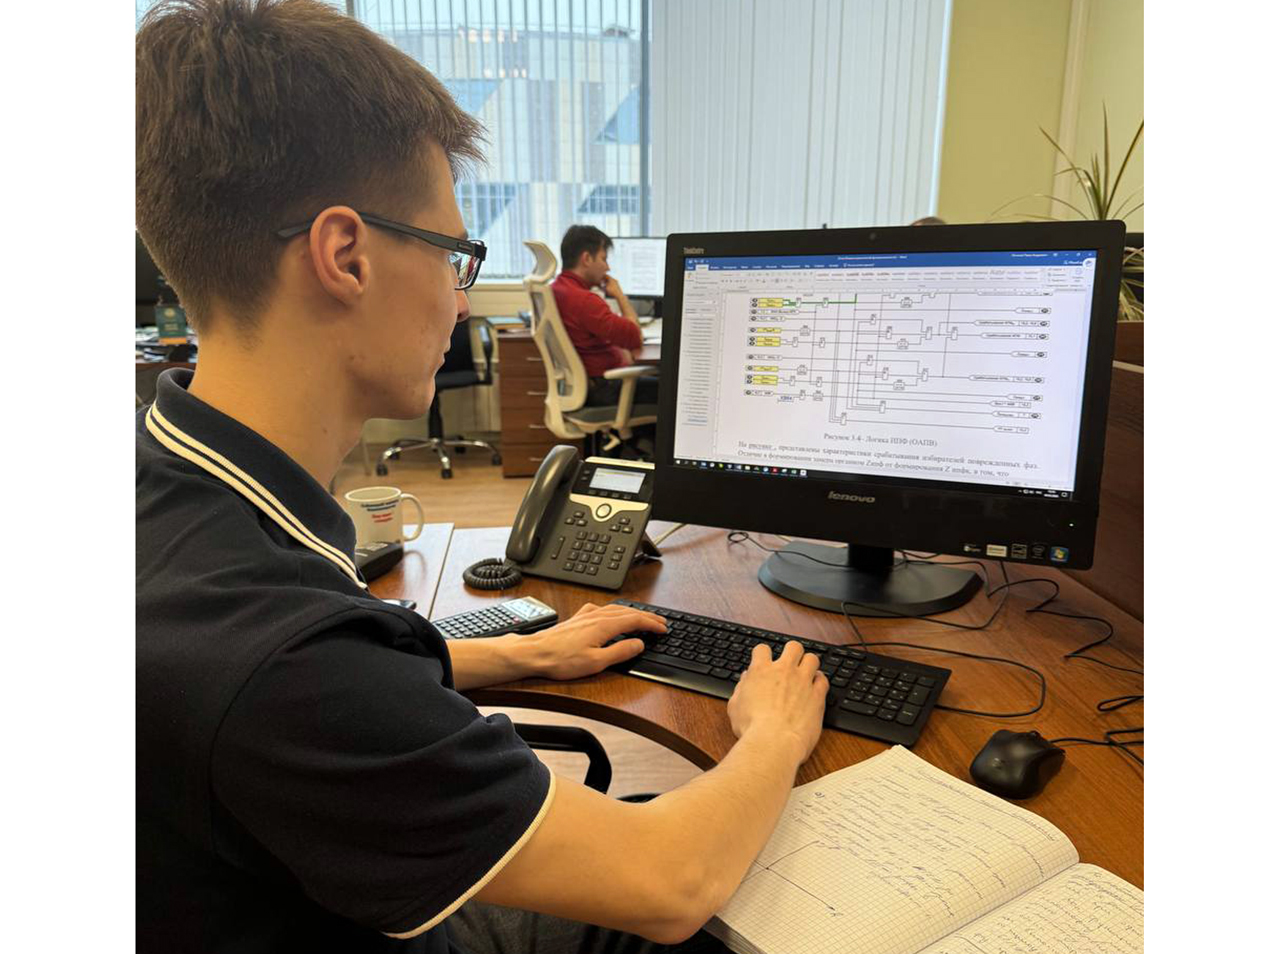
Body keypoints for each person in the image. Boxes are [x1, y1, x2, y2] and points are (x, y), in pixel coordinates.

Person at [136, 3, 828, 952]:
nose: (461, 300)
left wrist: (517, 655)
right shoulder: (282, 656)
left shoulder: (165, 490)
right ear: (346, 256)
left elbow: (316, 694)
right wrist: (775, 734)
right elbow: (669, 880)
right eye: (456, 255)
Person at [552, 225, 660, 410]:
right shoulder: (584, 300)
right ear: (587, 258)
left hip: (587, 387)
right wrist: (619, 294)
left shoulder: (558, 289)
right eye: (604, 259)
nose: (607, 267)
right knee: (672, 389)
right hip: (605, 389)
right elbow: (636, 337)